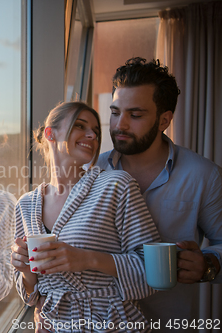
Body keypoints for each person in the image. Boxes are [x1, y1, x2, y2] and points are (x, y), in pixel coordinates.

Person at [34, 57, 222, 332]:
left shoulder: (203, 175)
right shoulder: (88, 172)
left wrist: (209, 263)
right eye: (114, 112)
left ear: (164, 120)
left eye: (135, 115)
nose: (120, 125)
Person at [10, 101, 161, 332]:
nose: (92, 135)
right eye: (80, 126)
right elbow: (30, 297)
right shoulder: (26, 205)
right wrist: (26, 271)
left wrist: (87, 259)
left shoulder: (116, 185)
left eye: (96, 131)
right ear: (51, 134)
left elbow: (155, 272)